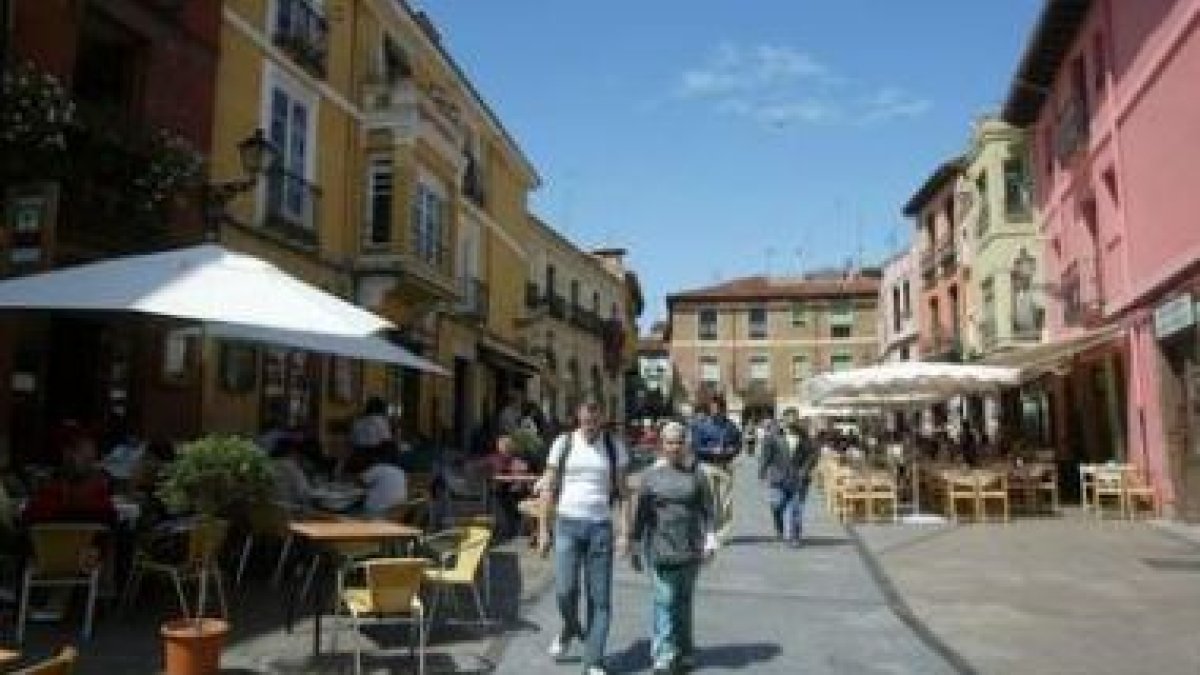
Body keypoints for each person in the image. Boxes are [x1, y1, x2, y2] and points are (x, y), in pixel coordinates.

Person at [538, 400, 631, 675]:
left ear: (602, 418)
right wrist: (543, 529)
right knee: (565, 591)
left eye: (595, 421)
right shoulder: (562, 444)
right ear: (578, 418)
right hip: (567, 525)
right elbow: (548, 487)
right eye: (585, 421)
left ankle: (593, 659)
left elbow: (624, 493)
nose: (590, 426)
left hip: (600, 527)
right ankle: (570, 628)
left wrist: (626, 532)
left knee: (599, 599)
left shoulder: (615, 447)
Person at [630, 421, 718, 674]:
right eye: (669, 442)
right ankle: (663, 655)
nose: (674, 447)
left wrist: (711, 539)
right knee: (664, 601)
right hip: (660, 547)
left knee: (683, 601)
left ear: (685, 444)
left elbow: (708, 509)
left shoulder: (697, 474)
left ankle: (685, 650)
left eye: (679, 442)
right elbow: (642, 515)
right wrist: (635, 546)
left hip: (690, 547)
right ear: (661, 445)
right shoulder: (650, 476)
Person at [757, 408, 818, 547]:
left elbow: (813, 455)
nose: (792, 421)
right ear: (783, 420)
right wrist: (762, 472)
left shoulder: (805, 437)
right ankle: (779, 527)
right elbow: (765, 456)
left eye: (794, 418)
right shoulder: (772, 436)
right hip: (778, 477)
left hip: (798, 477)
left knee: (796, 508)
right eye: (789, 418)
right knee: (777, 505)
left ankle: (795, 537)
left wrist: (805, 469)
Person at [689, 394, 741, 541]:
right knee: (711, 499)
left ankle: (722, 532)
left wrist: (731, 451)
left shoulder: (731, 426)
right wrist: (710, 450)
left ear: (723, 409)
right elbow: (696, 447)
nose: (715, 411)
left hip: (726, 465)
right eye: (713, 408)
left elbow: (738, 444)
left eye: (718, 408)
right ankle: (711, 529)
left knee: (726, 501)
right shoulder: (701, 426)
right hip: (707, 465)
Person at [357, 449, 408, 518]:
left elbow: (361, 481)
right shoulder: (401, 471)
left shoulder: (378, 468)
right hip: (396, 511)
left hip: (377, 511)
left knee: (352, 511)